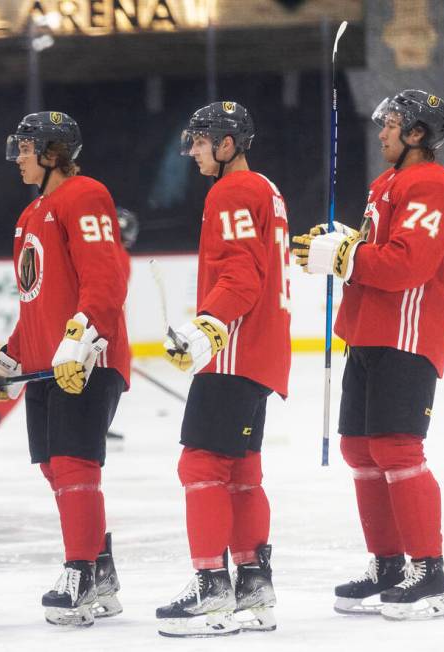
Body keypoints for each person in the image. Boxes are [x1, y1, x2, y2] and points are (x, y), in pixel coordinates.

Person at [292, 89, 444, 621]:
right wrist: (341, 240)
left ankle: (429, 574)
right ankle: (389, 564)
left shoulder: (432, 184)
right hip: (367, 332)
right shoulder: (386, 183)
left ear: (417, 134)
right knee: (360, 450)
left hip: (405, 335)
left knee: (395, 449)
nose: (381, 130)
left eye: (390, 123)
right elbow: (377, 247)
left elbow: (406, 264)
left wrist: (344, 254)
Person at [0, 111, 130, 627]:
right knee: (54, 468)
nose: (16, 157)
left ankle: (81, 571)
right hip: (45, 367)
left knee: (72, 465)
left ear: (52, 153)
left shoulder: (85, 195)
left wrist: (82, 338)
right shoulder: (31, 214)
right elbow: (35, 304)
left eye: (25, 148)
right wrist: (7, 359)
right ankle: (100, 569)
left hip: (87, 360)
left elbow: (105, 281)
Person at [156, 101, 291, 637]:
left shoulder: (231, 191)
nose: (192, 151)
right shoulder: (268, 191)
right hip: (261, 350)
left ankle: (212, 589)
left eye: (201, 141)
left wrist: (208, 324)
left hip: (234, 350)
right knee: (241, 472)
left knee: (201, 467)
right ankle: (254, 587)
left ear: (228, 143)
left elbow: (241, 273)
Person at [0, 207, 139, 451]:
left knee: (26, 371)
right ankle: (92, 424)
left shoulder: (92, 250)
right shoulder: (117, 256)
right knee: (65, 381)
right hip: (81, 333)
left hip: (62, 325)